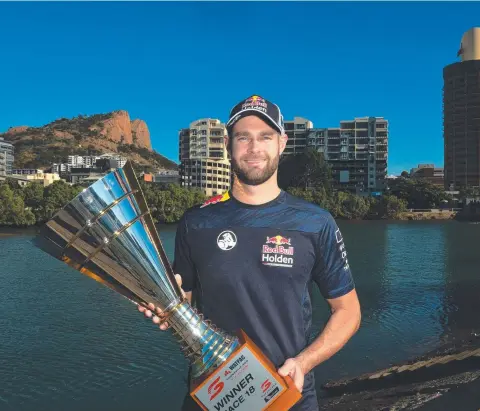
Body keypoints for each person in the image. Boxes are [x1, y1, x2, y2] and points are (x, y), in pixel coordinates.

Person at [139, 95, 362, 411]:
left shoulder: (315, 222)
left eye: (265, 137)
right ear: (229, 145)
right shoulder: (197, 221)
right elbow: (184, 300)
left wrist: (304, 362)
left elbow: (348, 311)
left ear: (282, 143)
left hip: (288, 396)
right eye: (243, 137)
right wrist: (166, 306)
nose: (254, 148)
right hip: (215, 395)